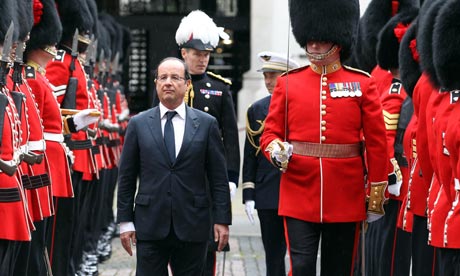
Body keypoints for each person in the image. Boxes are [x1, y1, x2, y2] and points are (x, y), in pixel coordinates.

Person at [259, 0, 389, 275]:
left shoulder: (363, 84)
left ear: (337, 42)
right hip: (298, 190)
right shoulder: (288, 82)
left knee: (339, 268)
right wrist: (275, 149)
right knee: (302, 265)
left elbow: (377, 143)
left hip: (345, 193)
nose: (313, 47)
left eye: (320, 41)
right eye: (310, 41)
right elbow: (270, 132)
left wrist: (376, 193)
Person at [117, 57, 232, 276]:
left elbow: (218, 177)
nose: (168, 82)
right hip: (150, 224)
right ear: (156, 83)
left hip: (193, 224)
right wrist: (125, 221)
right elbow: (127, 177)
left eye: (175, 77)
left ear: (187, 84)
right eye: (163, 77)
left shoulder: (206, 124)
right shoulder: (138, 124)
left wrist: (222, 219)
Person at [171, 10, 239, 275]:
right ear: (184, 53)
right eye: (197, 53)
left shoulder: (220, 88)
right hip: (176, 179)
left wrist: (232, 177)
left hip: (207, 180)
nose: (202, 59)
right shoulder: (168, 85)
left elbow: (231, 138)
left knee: (208, 249)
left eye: (207, 54)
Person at [242, 51, 299, 276]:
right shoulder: (257, 109)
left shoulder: (302, 105)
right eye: (265, 76)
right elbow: (250, 155)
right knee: (273, 256)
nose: (267, 82)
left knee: (299, 255)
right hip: (268, 192)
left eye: (273, 76)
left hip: (297, 189)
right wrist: (248, 194)